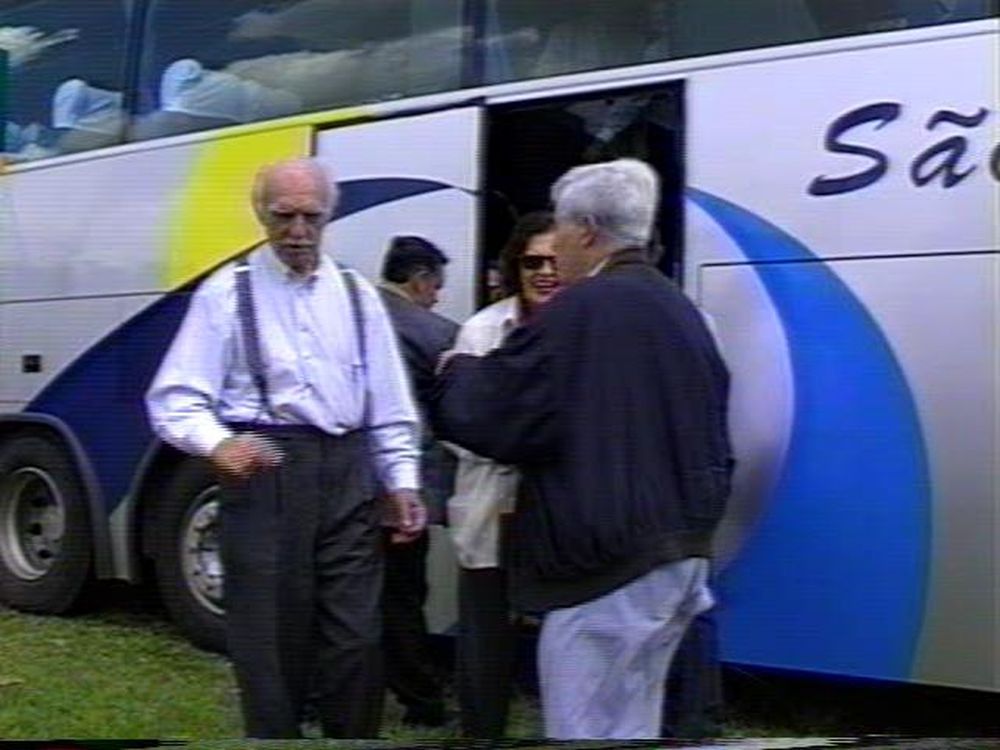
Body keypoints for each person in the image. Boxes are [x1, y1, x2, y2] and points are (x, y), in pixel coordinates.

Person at [431, 159, 733, 739]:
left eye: (561, 231)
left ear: (588, 232)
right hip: (679, 555)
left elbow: (497, 417)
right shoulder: (682, 312)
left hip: (606, 567)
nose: (554, 251)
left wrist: (458, 372)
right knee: (633, 721)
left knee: (584, 725)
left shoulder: (581, 310)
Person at [145, 157, 425, 739]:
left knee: (356, 635)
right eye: (283, 216)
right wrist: (218, 443)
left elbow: (389, 400)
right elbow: (175, 397)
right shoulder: (227, 293)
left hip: (347, 470)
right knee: (270, 638)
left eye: (311, 217)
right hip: (267, 466)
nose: (298, 231)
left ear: (329, 216)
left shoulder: (356, 294)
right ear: (260, 215)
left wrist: (401, 481)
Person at [447, 211, 559, 738]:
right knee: (485, 633)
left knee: (564, 635)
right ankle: (482, 732)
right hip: (493, 503)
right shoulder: (482, 331)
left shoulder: (587, 327)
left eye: (555, 262)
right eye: (533, 262)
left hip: (561, 509)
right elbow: (455, 423)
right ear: (515, 267)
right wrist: (517, 437)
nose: (545, 272)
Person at [376, 235, 458, 728]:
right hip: (406, 491)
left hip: (347, 485)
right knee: (404, 597)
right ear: (420, 279)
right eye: (436, 286)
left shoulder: (353, 313)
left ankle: (328, 693)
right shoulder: (436, 333)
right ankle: (421, 700)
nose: (437, 297)